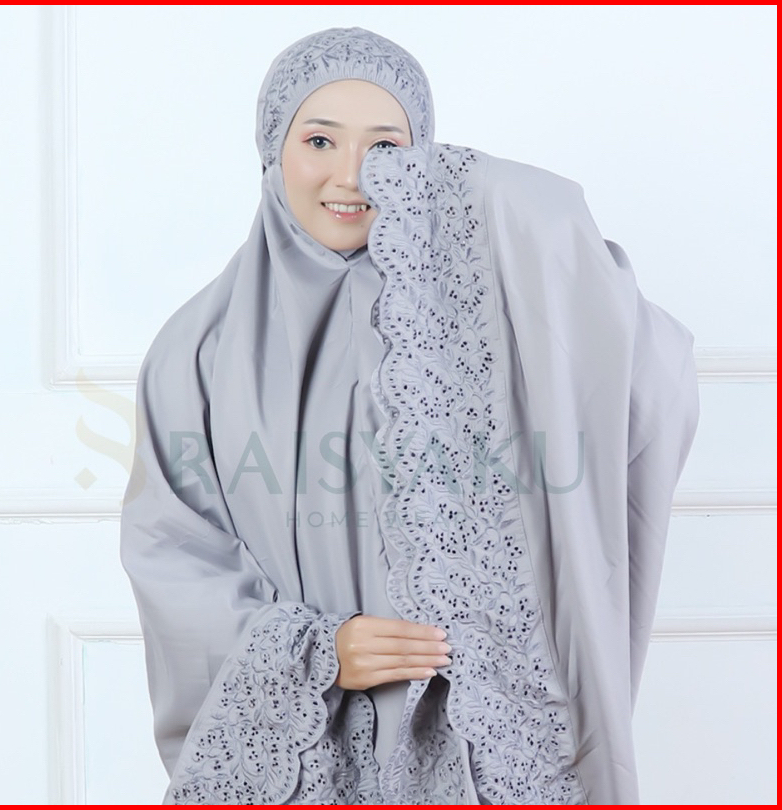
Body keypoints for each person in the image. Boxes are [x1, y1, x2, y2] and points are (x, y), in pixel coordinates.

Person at [120, 27, 699, 805]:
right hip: (311, 745)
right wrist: (317, 653)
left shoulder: (488, 308)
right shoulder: (197, 349)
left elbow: (639, 370)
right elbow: (175, 555)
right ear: (271, 148)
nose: (353, 175)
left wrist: (498, 198)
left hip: (475, 737)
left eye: (387, 147)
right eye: (319, 140)